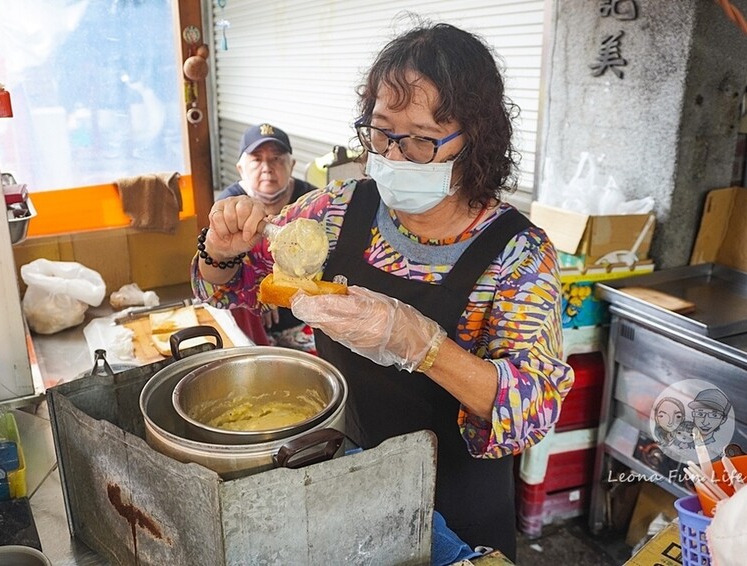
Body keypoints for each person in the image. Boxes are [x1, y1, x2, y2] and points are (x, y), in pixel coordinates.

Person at [191, 22, 573, 560]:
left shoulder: (518, 254)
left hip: (455, 504)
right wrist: (220, 251)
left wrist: (421, 343)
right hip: (341, 476)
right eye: (381, 132)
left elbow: (533, 408)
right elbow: (231, 291)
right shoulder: (335, 209)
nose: (393, 155)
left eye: (420, 139)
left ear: (476, 140)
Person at [217, 123, 319, 352]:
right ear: (241, 169)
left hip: (304, 317)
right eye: (257, 160)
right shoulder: (229, 206)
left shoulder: (313, 201)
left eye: (276, 159)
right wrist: (259, 288)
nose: (267, 168)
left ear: (292, 165)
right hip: (252, 320)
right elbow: (220, 264)